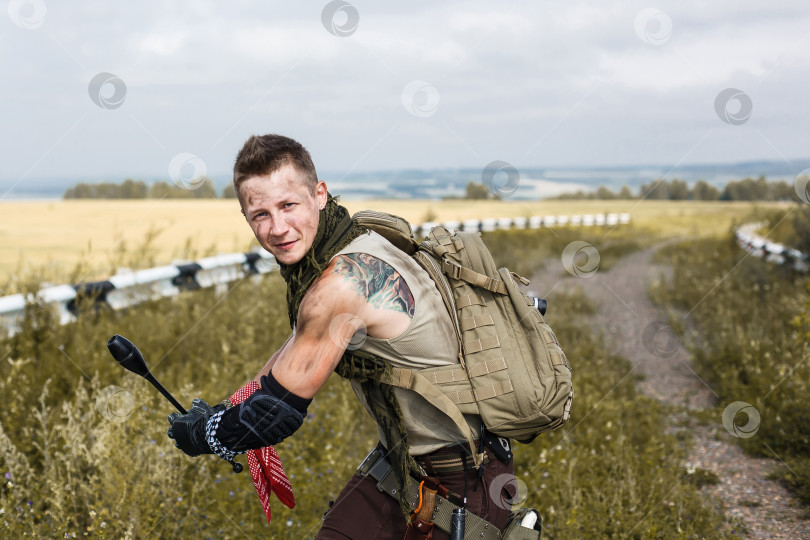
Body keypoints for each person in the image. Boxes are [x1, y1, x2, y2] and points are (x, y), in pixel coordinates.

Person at [167, 134, 515, 539]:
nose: (277, 228)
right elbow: (290, 356)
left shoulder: (343, 281)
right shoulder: (350, 240)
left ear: (319, 194)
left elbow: (275, 413)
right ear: (245, 216)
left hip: (465, 477)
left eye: (288, 205)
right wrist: (225, 408)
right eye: (260, 214)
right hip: (401, 462)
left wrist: (205, 434)